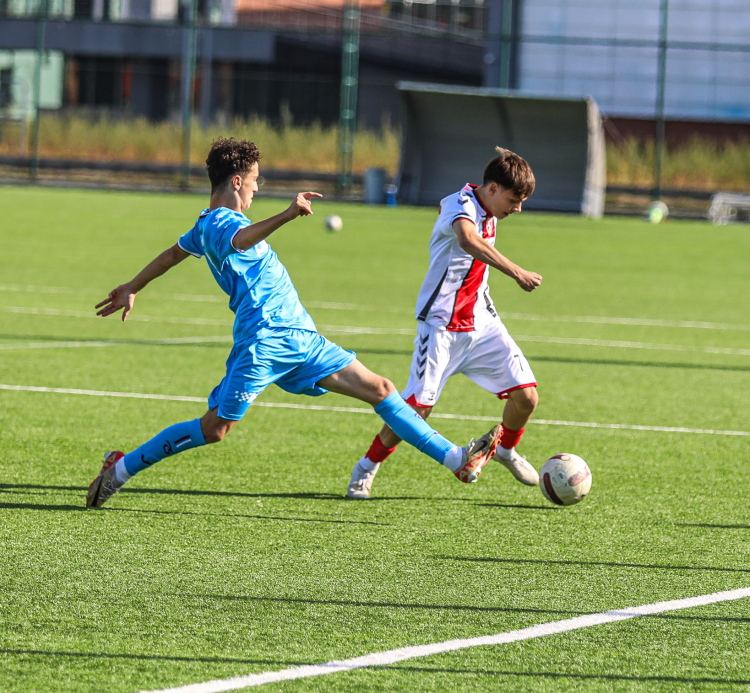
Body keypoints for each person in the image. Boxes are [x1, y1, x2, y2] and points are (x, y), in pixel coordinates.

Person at [86, 138, 501, 508]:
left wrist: (133, 285)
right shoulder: (222, 224)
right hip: (263, 341)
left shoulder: (202, 224)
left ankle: (457, 461)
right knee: (215, 429)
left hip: (300, 336)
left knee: (381, 389)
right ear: (235, 182)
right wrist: (285, 215)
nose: (255, 188)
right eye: (254, 181)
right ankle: (120, 470)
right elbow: (240, 241)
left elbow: (172, 254)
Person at [347, 147, 542, 500]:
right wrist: (516, 271)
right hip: (439, 327)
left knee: (527, 397)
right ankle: (366, 466)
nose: (518, 208)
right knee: (416, 409)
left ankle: (505, 450)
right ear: (493, 188)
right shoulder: (459, 203)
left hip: (481, 323)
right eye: (514, 199)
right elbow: (468, 241)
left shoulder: (492, 209)